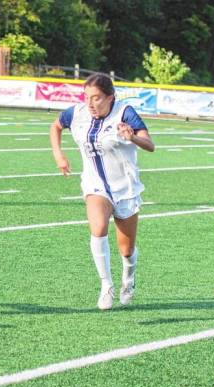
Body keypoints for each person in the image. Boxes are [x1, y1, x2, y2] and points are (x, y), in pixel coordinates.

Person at [49, 73, 155, 310]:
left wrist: (133, 137)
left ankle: (128, 278)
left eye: (96, 98)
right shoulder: (76, 113)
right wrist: (58, 154)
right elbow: (55, 126)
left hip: (125, 188)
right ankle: (106, 285)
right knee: (98, 229)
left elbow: (150, 145)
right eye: (87, 97)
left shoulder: (125, 112)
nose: (90, 103)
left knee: (126, 250)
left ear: (110, 97)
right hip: (95, 185)